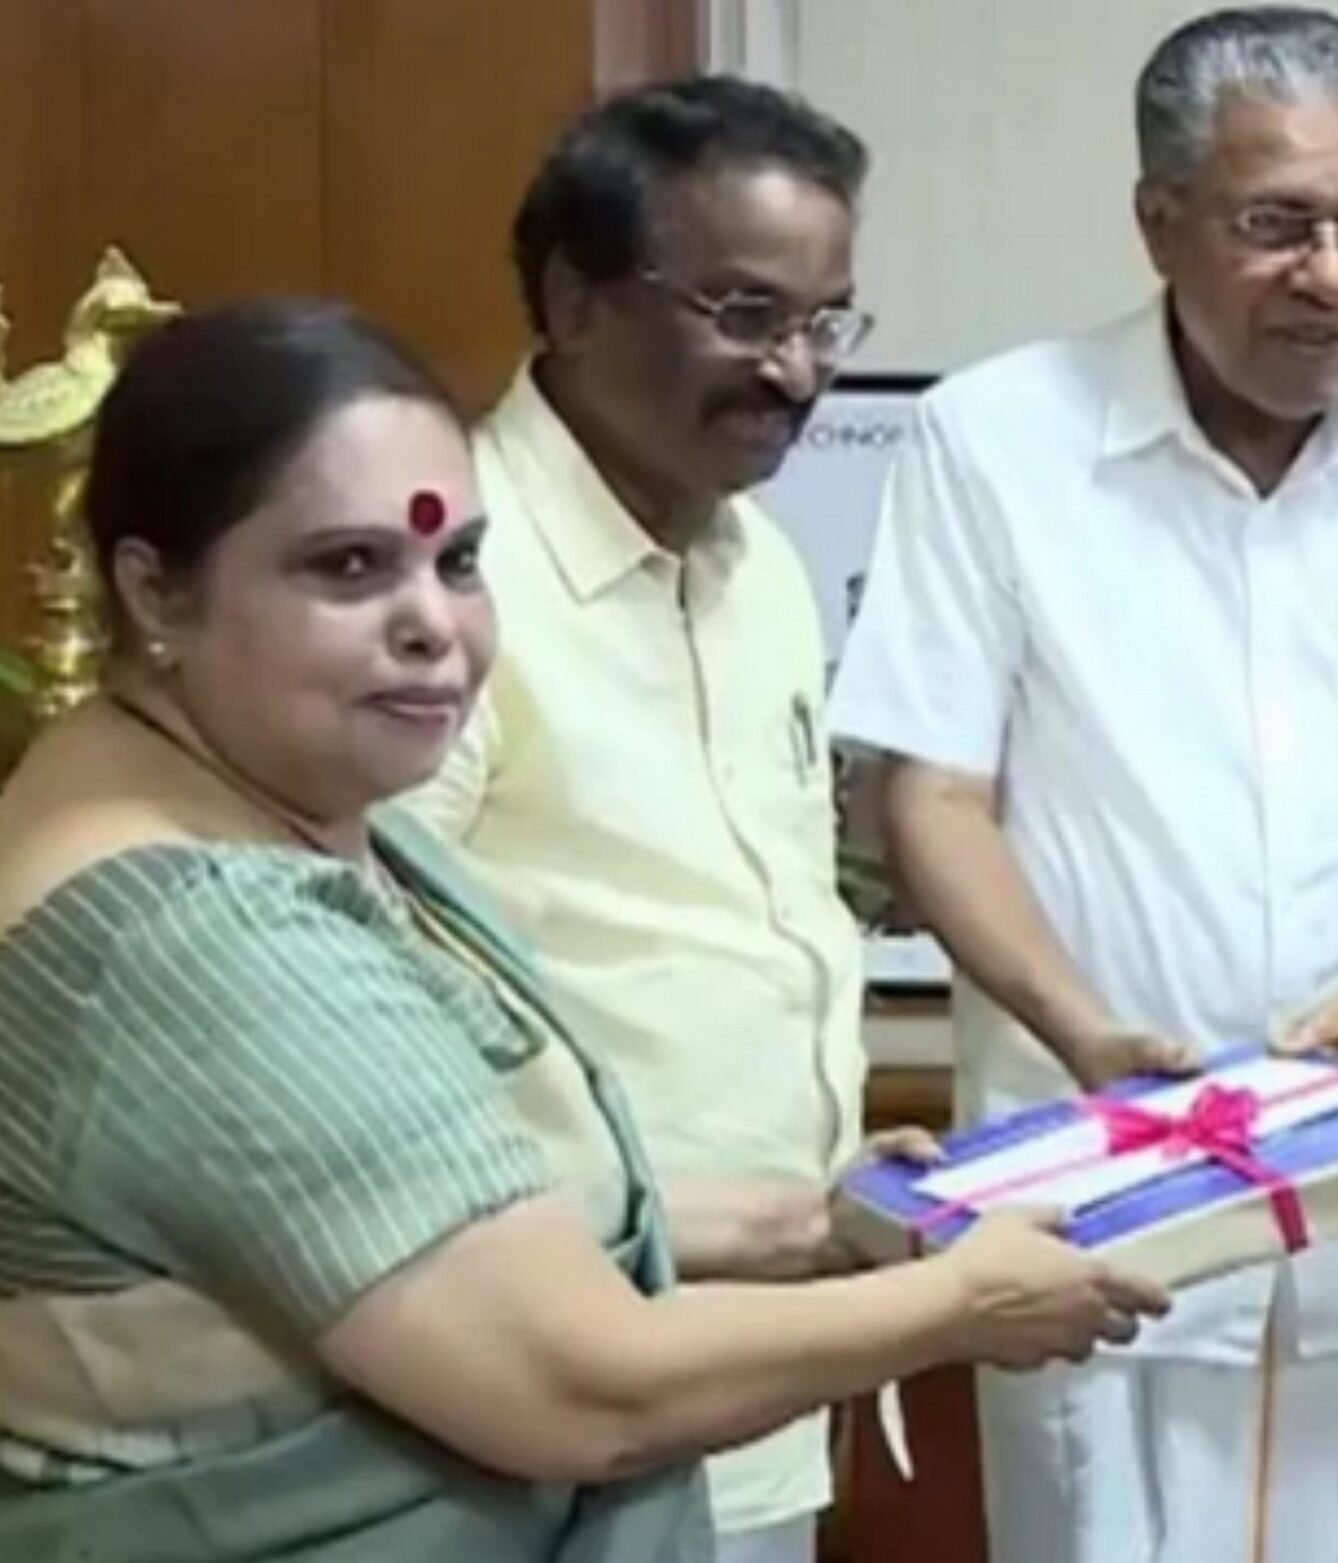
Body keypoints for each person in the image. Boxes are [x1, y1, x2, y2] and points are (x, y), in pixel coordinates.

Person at [0, 299, 1169, 1562]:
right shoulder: (203, 936)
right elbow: (580, 1389)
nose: (434, 625)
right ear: (154, 591)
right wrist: (957, 1305)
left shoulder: (244, 798)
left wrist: (811, 1227)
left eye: (457, 562)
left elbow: (405, 1213)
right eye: (348, 568)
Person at [829, 8, 1338, 1562]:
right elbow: (935, 792)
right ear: (1159, 219)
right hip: (1099, 1205)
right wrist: (1086, 1033)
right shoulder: (996, 440)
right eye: (1277, 225)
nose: (1332, 274)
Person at [401, 76, 881, 1562]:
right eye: (745, 314)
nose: (795, 372)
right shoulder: (436, 595)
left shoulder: (760, 563)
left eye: (826, 322)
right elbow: (360, 1017)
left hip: (766, 1359)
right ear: (575, 300)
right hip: (545, 1390)